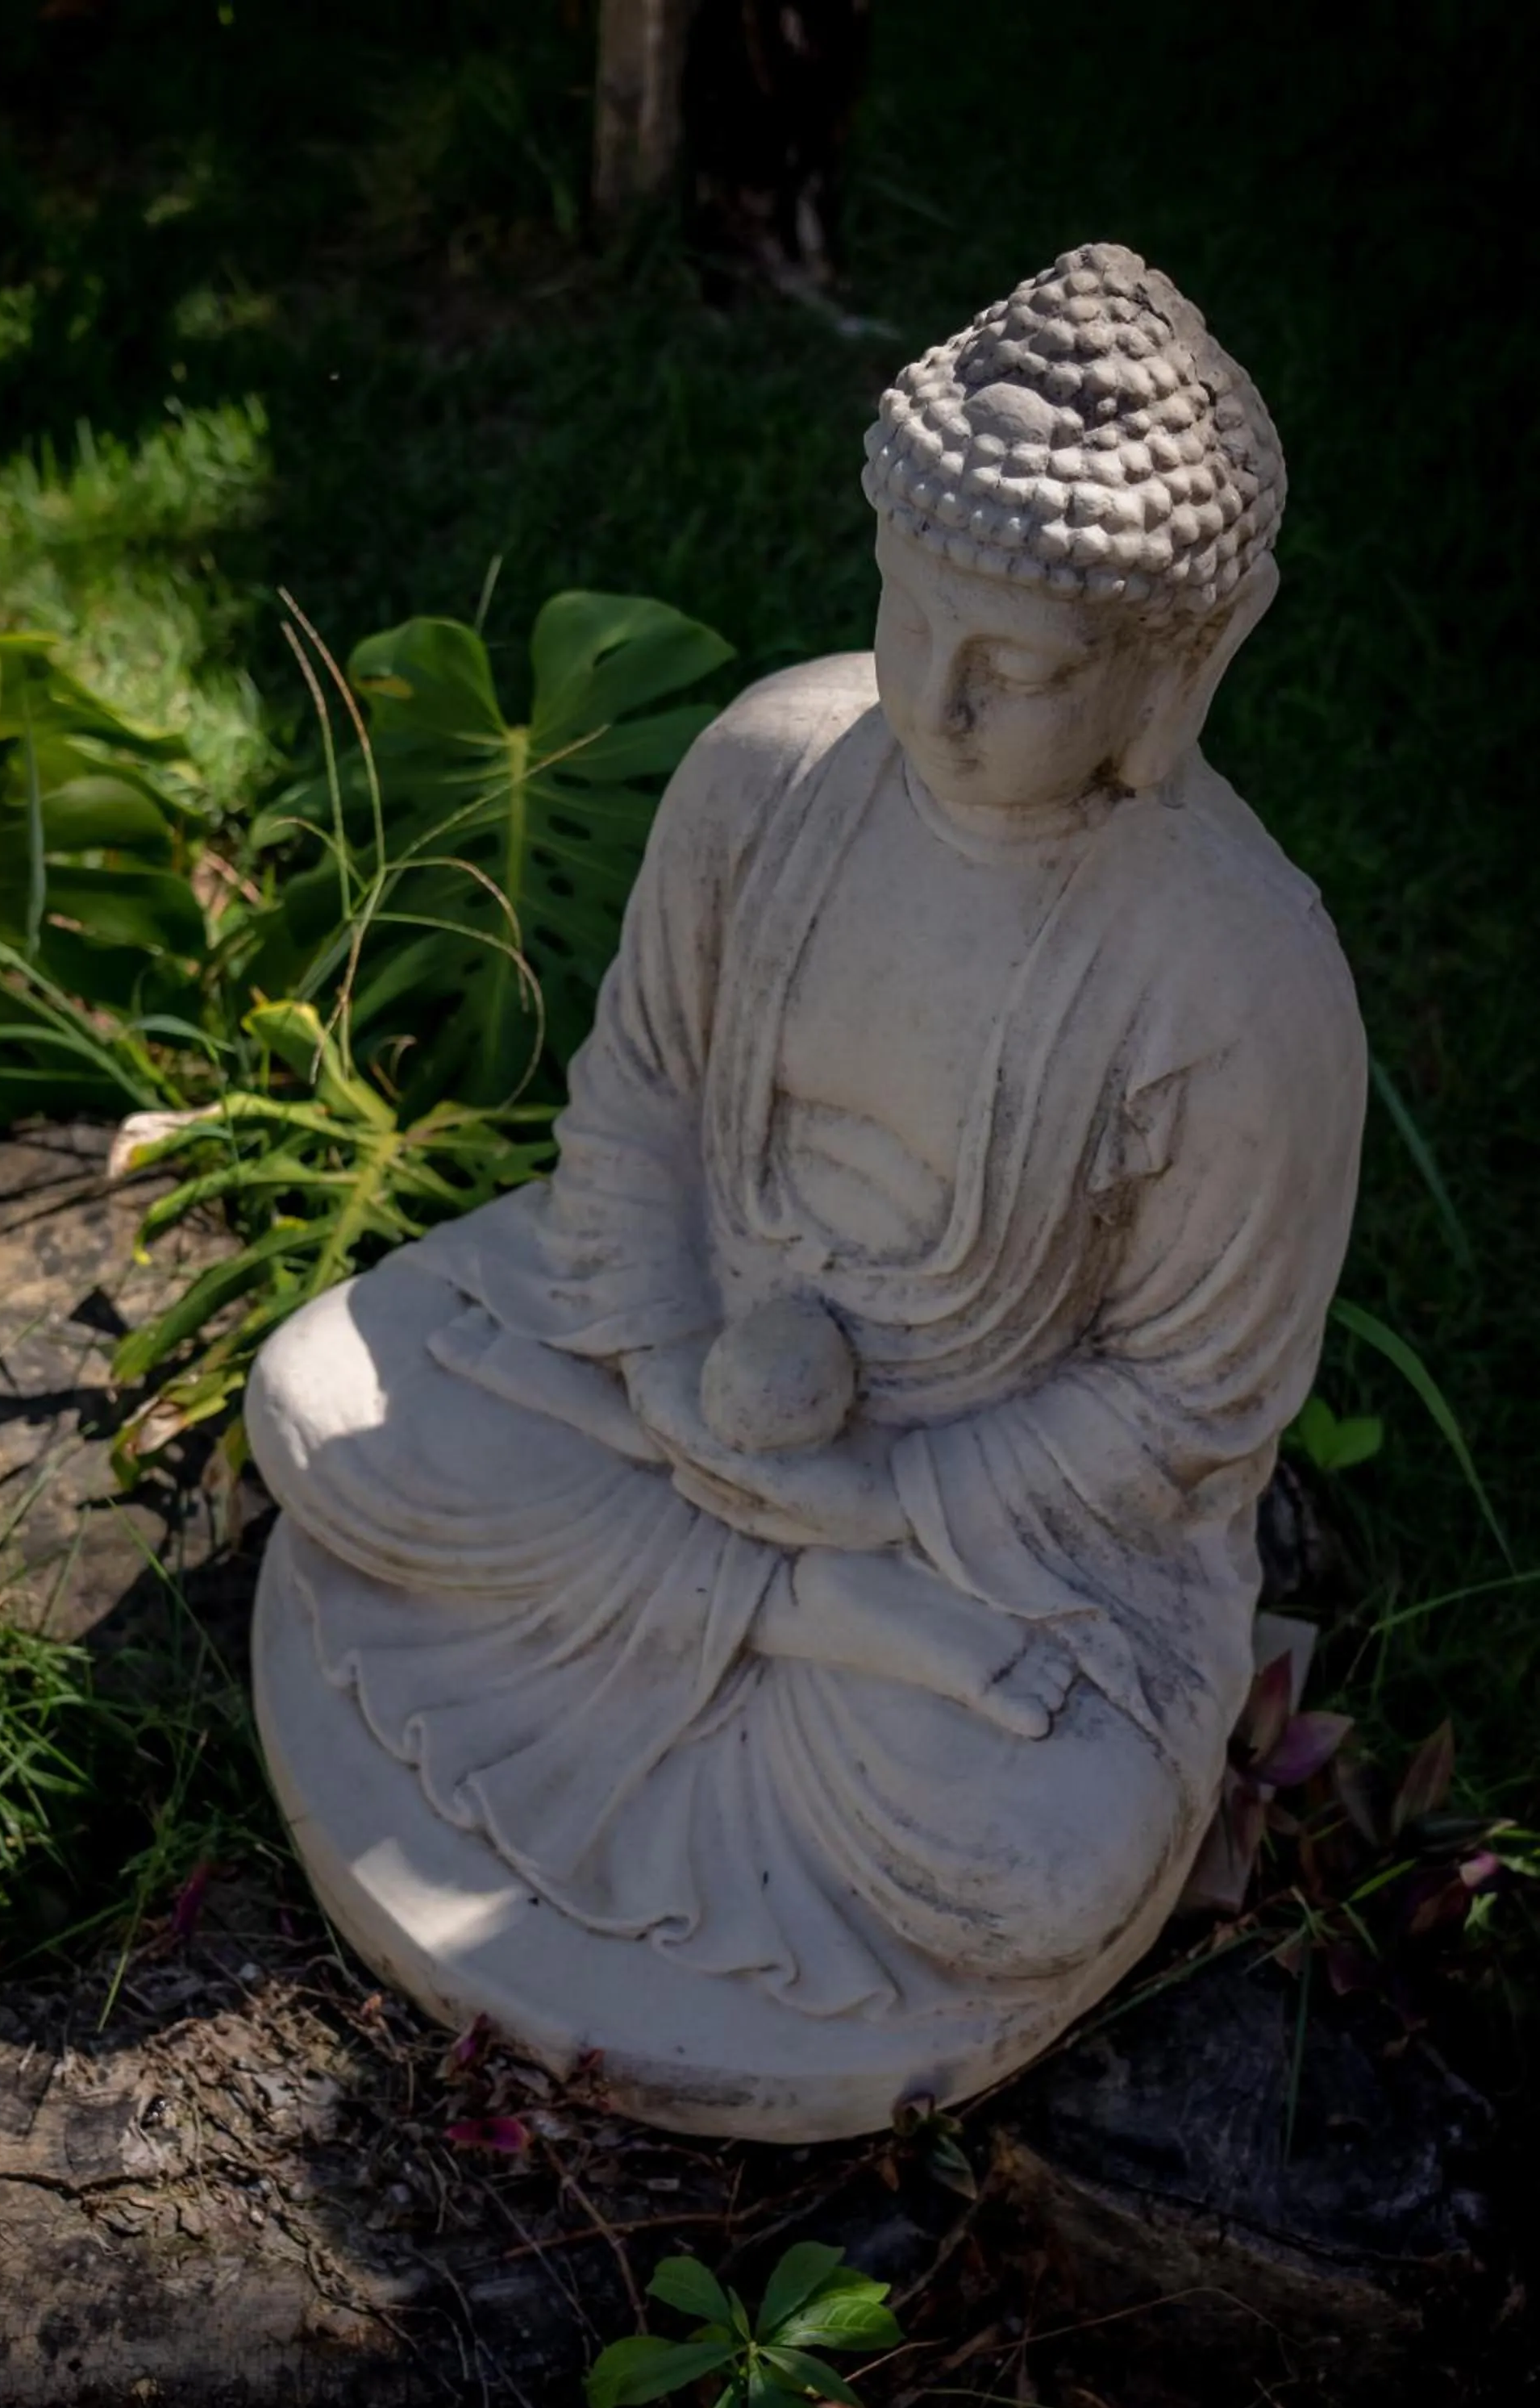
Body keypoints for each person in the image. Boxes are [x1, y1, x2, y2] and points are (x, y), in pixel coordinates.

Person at [248, 244, 1365, 2057]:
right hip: (671, 1356)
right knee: (314, 1412)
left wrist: (892, 1503)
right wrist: (673, 1341)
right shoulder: (776, 765)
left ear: (1173, 672)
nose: (939, 698)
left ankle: (839, 1617)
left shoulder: (1236, 984)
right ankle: (822, 1622)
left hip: (991, 1500)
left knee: (1035, 1864)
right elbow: (639, 1105)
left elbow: (1187, 1408)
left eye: (1024, 665)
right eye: (912, 619)